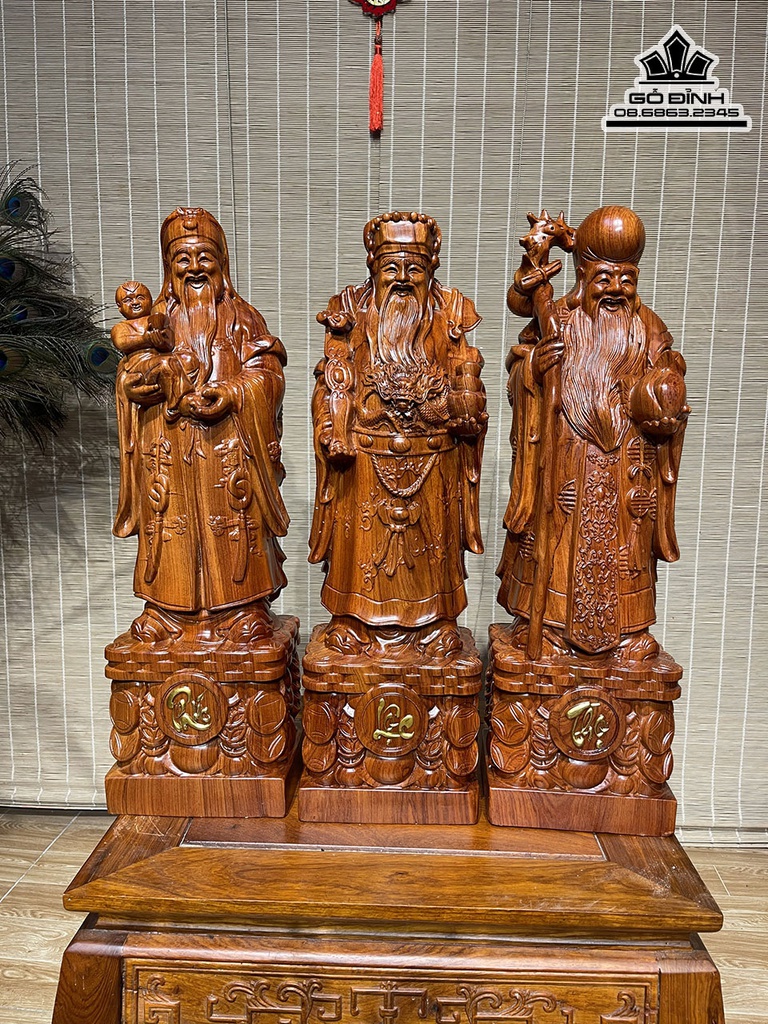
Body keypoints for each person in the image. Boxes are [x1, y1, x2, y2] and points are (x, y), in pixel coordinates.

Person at [498, 205, 689, 660]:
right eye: (604, 278)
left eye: (627, 279)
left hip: (628, 461)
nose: (616, 289)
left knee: (627, 543)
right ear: (583, 275)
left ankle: (628, 631)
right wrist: (533, 369)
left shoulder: (648, 327)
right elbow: (516, 373)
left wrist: (665, 387)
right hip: (565, 454)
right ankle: (545, 627)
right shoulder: (557, 319)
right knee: (555, 536)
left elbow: (669, 372)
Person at [309, 211, 487, 657]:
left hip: (434, 462)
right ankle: (352, 621)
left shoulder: (451, 315)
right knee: (359, 551)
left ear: (431, 272)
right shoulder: (350, 313)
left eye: (415, 269)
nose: (403, 279)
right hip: (364, 462)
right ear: (374, 269)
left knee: (431, 554)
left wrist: (465, 409)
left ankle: (436, 624)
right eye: (392, 268)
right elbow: (330, 381)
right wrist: (331, 427)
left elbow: (468, 383)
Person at [113, 207, 289, 641]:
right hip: (167, 447)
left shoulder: (243, 317)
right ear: (168, 266)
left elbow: (268, 372)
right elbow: (129, 372)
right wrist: (139, 384)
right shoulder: (153, 320)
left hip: (228, 446)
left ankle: (243, 609)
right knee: (168, 523)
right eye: (182, 259)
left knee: (235, 520)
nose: (194, 268)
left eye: (204, 257)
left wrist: (231, 392)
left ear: (221, 262)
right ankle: (166, 611)